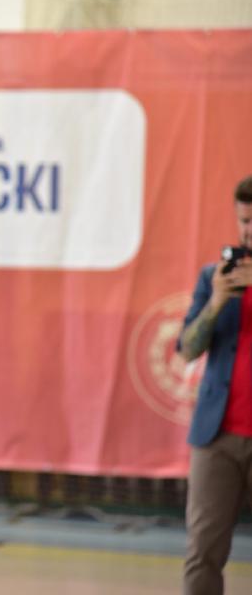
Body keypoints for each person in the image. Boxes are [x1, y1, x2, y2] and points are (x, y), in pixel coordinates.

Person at [178, 174, 252, 594]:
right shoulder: (213, 278)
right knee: (203, 551)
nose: (249, 231)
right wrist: (217, 300)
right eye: (244, 221)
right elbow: (187, 349)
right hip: (217, 436)